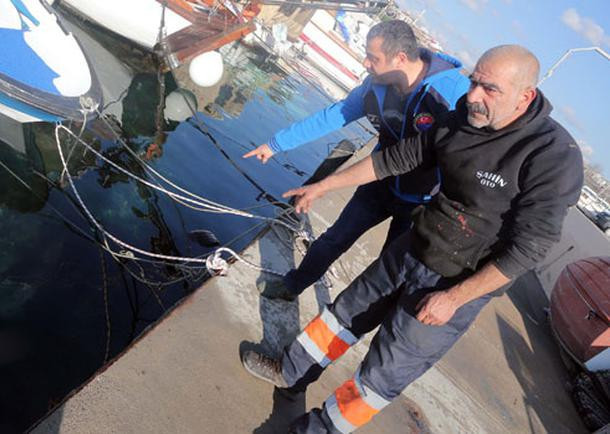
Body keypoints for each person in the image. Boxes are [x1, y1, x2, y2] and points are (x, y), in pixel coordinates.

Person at [241, 45, 583, 433]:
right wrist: (324, 185)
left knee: (381, 374)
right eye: (473, 82)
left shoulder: (555, 157)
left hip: (457, 279)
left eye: (490, 90)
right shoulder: (462, 117)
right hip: (414, 244)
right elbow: (396, 158)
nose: (473, 97)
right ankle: (289, 371)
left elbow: (530, 247)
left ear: (525, 97)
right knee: (342, 316)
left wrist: (454, 299)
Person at [243, 20, 469, 301]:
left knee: (390, 269)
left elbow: (471, 157)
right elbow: (335, 115)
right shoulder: (376, 86)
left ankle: (348, 326)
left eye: (373, 58)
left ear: (400, 58)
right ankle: (294, 285)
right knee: (335, 237)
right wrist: (276, 144)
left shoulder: (453, 92)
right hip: (378, 182)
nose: (365, 63)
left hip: (422, 202)